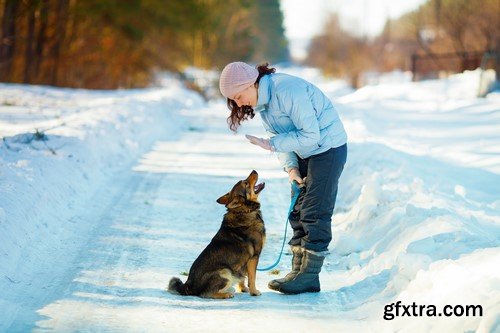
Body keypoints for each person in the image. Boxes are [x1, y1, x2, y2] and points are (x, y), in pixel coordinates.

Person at [219, 61, 347, 294]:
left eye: (238, 96)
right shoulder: (265, 107)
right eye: (234, 101)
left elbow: (310, 134)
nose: (239, 103)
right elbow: (285, 139)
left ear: (251, 84)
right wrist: (292, 169)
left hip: (328, 148)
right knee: (297, 211)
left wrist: (271, 145)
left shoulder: (287, 90)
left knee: (314, 213)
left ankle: (309, 276)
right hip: (305, 151)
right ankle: (297, 272)